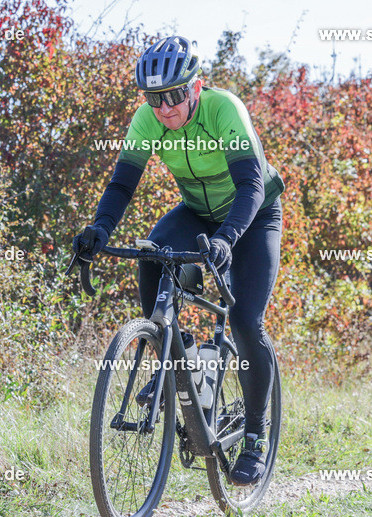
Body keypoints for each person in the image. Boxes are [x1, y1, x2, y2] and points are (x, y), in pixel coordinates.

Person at [73, 36, 285, 486]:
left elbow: (249, 186)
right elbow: (121, 185)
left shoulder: (224, 110)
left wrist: (228, 238)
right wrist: (100, 230)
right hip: (198, 212)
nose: (164, 108)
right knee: (152, 255)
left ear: (195, 87)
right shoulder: (147, 120)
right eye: (154, 98)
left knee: (246, 320)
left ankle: (255, 435)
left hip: (253, 213)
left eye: (172, 96)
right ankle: (180, 356)